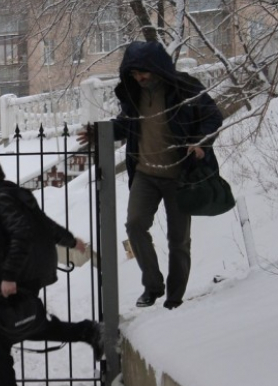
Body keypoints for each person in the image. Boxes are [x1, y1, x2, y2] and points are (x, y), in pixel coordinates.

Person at [0, 154, 104, 386]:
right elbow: (42, 223)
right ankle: (87, 332)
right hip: (24, 278)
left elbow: (23, 234)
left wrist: (9, 276)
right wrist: (69, 239)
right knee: (30, 327)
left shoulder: (3, 199)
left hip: (17, 281)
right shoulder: (13, 195)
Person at [78, 41, 223, 310]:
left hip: (179, 176)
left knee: (178, 240)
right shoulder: (135, 94)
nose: (138, 78)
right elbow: (126, 125)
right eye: (133, 74)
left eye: (142, 72)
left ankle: (174, 298)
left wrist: (200, 143)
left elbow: (213, 116)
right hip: (145, 174)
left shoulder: (185, 88)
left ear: (156, 67)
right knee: (134, 225)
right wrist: (100, 132)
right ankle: (153, 286)